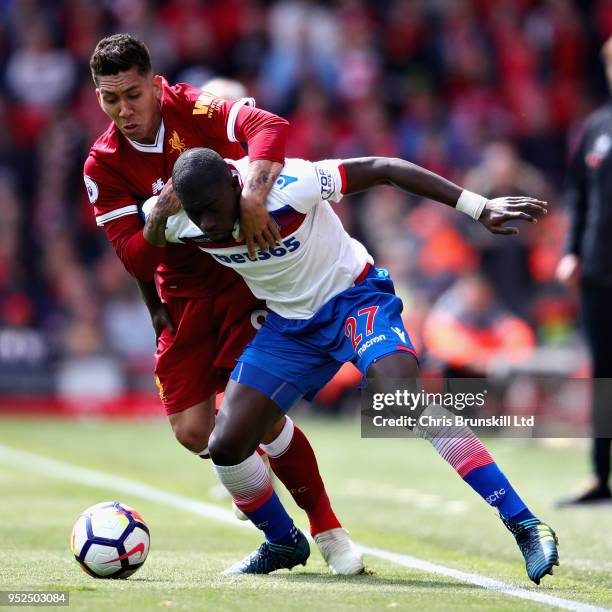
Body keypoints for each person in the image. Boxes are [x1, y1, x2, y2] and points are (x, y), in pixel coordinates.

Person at [160, 148, 559, 584]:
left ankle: (525, 524)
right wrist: (154, 230)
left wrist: (477, 206)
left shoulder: (290, 185)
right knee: (226, 445)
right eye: (197, 214)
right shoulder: (179, 218)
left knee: (405, 399)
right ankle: (282, 542)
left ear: (237, 185)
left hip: (354, 301)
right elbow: (140, 245)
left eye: (215, 209)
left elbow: (384, 169)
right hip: (289, 326)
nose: (210, 224)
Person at [84, 34, 363, 575]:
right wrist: (159, 216)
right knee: (196, 435)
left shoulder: (195, 108)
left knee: (257, 418)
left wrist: (255, 196)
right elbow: (136, 260)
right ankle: (282, 536)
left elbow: (272, 128)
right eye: (109, 99)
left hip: (242, 283)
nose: (124, 110)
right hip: (181, 298)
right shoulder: (103, 166)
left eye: (133, 95)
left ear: (154, 83)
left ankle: (327, 529)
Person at [555, 36, 612, 506]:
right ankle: (600, 477)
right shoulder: (596, 128)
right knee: (603, 374)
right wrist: (571, 250)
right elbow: (577, 196)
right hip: (597, 270)